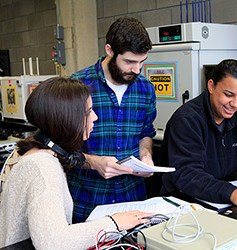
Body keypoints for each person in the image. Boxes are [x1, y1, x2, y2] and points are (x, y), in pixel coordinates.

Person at [0, 77, 153, 249]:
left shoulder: (30, 151)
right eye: (88, 112)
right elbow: (53, 244)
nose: (95, 117)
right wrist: (114, 223)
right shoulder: (44, 168)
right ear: (67, 118)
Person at [156, 59, 237, 209]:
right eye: (228, 95)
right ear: (211, 86)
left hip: (219, 194)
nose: (235, 104)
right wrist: (233, 194)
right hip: (181, 200)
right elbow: (187, 174)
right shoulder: (187, 119)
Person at [67, 16, 157, 223]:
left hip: (133, 199)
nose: (137, 69)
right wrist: (92, 162)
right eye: (129, 61)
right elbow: (59, 148)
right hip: (88, 202)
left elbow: (146, 132)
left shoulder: (145, 88)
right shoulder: (77, 85)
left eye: (142, 62)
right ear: (109, 50)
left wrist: (146, 157)